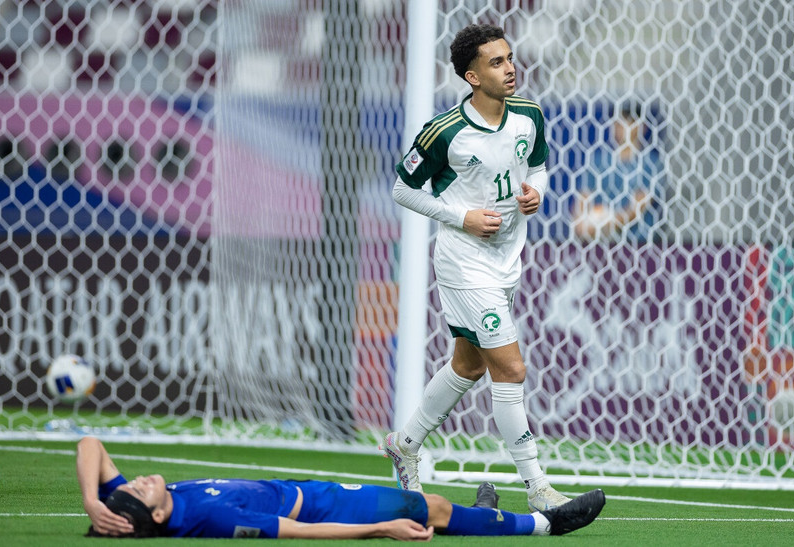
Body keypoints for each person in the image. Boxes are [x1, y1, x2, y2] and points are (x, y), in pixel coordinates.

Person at [386, 23, 569, 512]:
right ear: (472, 76)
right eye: (496, 62)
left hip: (507, 259)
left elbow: (538, 168)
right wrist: (460, 216)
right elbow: (402, 189)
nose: (510, 68)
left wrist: (535, 193)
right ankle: (538, 487)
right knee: (510, 368)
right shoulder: (444, 132)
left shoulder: (529, 115)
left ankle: (404, 444)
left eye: (509, 58)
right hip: (464, 262)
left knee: (468, 365)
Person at [76, 436, 606, 539]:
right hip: (327, 507)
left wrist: (92, 501)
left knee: (440, 508)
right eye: (139, 491)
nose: (140, 480)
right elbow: (294, 532)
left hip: (310, 490)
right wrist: (379, 528)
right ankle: (544, 524)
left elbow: (90, 444)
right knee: (433, 509)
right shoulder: (207, 519)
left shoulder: (163, 501)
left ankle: (480, 514)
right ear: (158, 516)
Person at [572, 101, 664, 243]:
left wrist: (605, 224)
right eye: (617, 121)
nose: (620, 126)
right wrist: (581, 224)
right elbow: (583, 198)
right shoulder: (598, 161)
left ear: (641, 126)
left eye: (627, 120)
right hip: (600, 243)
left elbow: (639, 206)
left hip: (639, 243)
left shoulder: (651, 163)